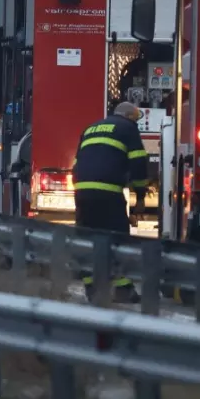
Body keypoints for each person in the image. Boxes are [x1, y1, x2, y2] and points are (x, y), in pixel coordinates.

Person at [72, 101, 149, 304]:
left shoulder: (90, 128)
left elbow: (76, 164)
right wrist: (140, 197)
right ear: (130, 117)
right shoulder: (128, 129)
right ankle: (123, 289)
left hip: (82, 193)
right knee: (118, 239)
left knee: (88, 240)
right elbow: (139, 162)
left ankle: (91, 287)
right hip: (108, 193)